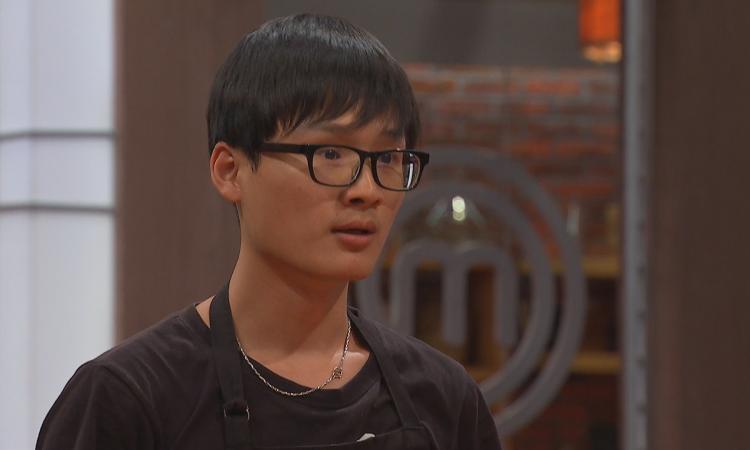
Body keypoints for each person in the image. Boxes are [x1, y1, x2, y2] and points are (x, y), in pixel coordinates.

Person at [36, 13, 501, 450]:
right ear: (230, 170)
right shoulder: (126, 399)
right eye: (331, 154)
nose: (367, 190)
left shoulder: (444, 399)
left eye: (387, 159)